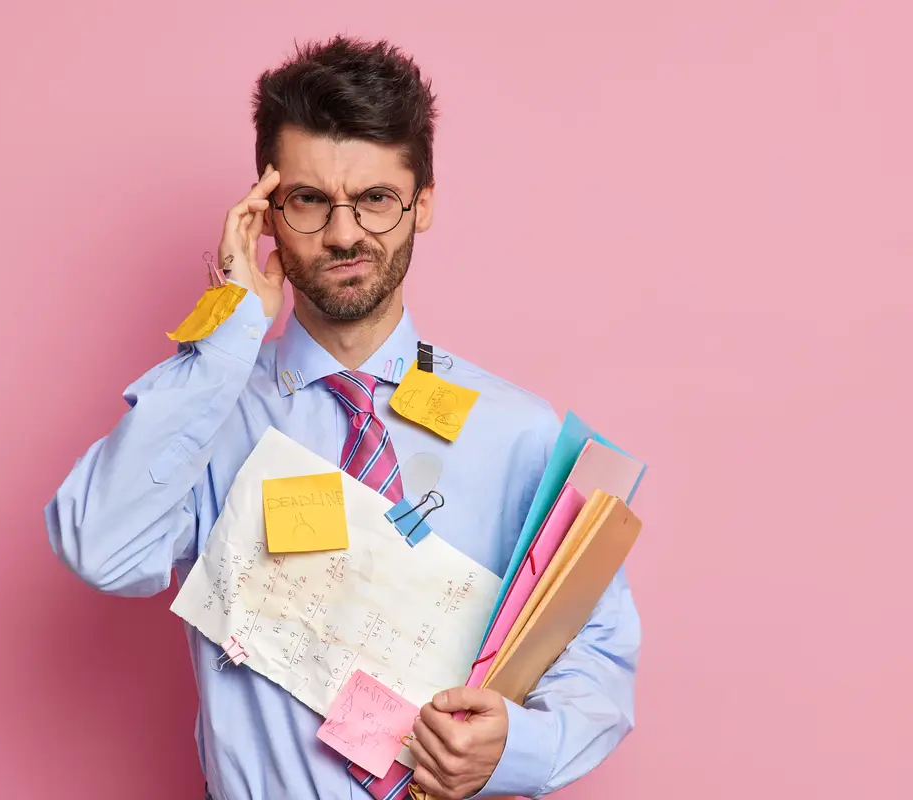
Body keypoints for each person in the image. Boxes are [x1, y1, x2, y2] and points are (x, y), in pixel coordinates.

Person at [45, 35, 640, 800]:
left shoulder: (517, 432)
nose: (345, 233)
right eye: (309, 199)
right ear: (265, 211)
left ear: (423, 203)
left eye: (376, 199)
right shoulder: (209, 419)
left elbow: (597, 651)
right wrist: (227, 339)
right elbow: (99, 548)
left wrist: (517, 748)